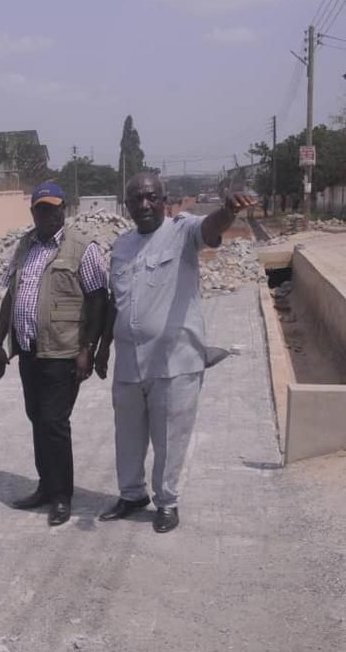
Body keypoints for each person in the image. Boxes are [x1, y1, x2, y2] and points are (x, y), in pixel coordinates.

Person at [95, 173, 254, 533]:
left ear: (165, 200)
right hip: (129, 362)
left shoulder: (181, 231)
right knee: (128, 435)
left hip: (173, 361)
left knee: (170, 436)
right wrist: (103, 349)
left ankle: (166, 501)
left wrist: (227, 211)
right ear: (127, 206)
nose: (144, 204)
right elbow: (115, 304)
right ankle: (132, 494)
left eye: (151, 197)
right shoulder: (121, 246)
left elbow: (211, 227)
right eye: (136, 199)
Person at [0, 182, 108, 526]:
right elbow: (11, 296)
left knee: (55, 424)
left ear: (64, 209)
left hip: (63, 352)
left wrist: (89, 348)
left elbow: (99, 299)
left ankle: (61, 496)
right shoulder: (25, 245)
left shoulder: (82, 248)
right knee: (37, 420)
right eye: (40, 208)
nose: (46, 214)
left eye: (53, 207)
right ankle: (45, 486)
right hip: (29, 351)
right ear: (32, 212)